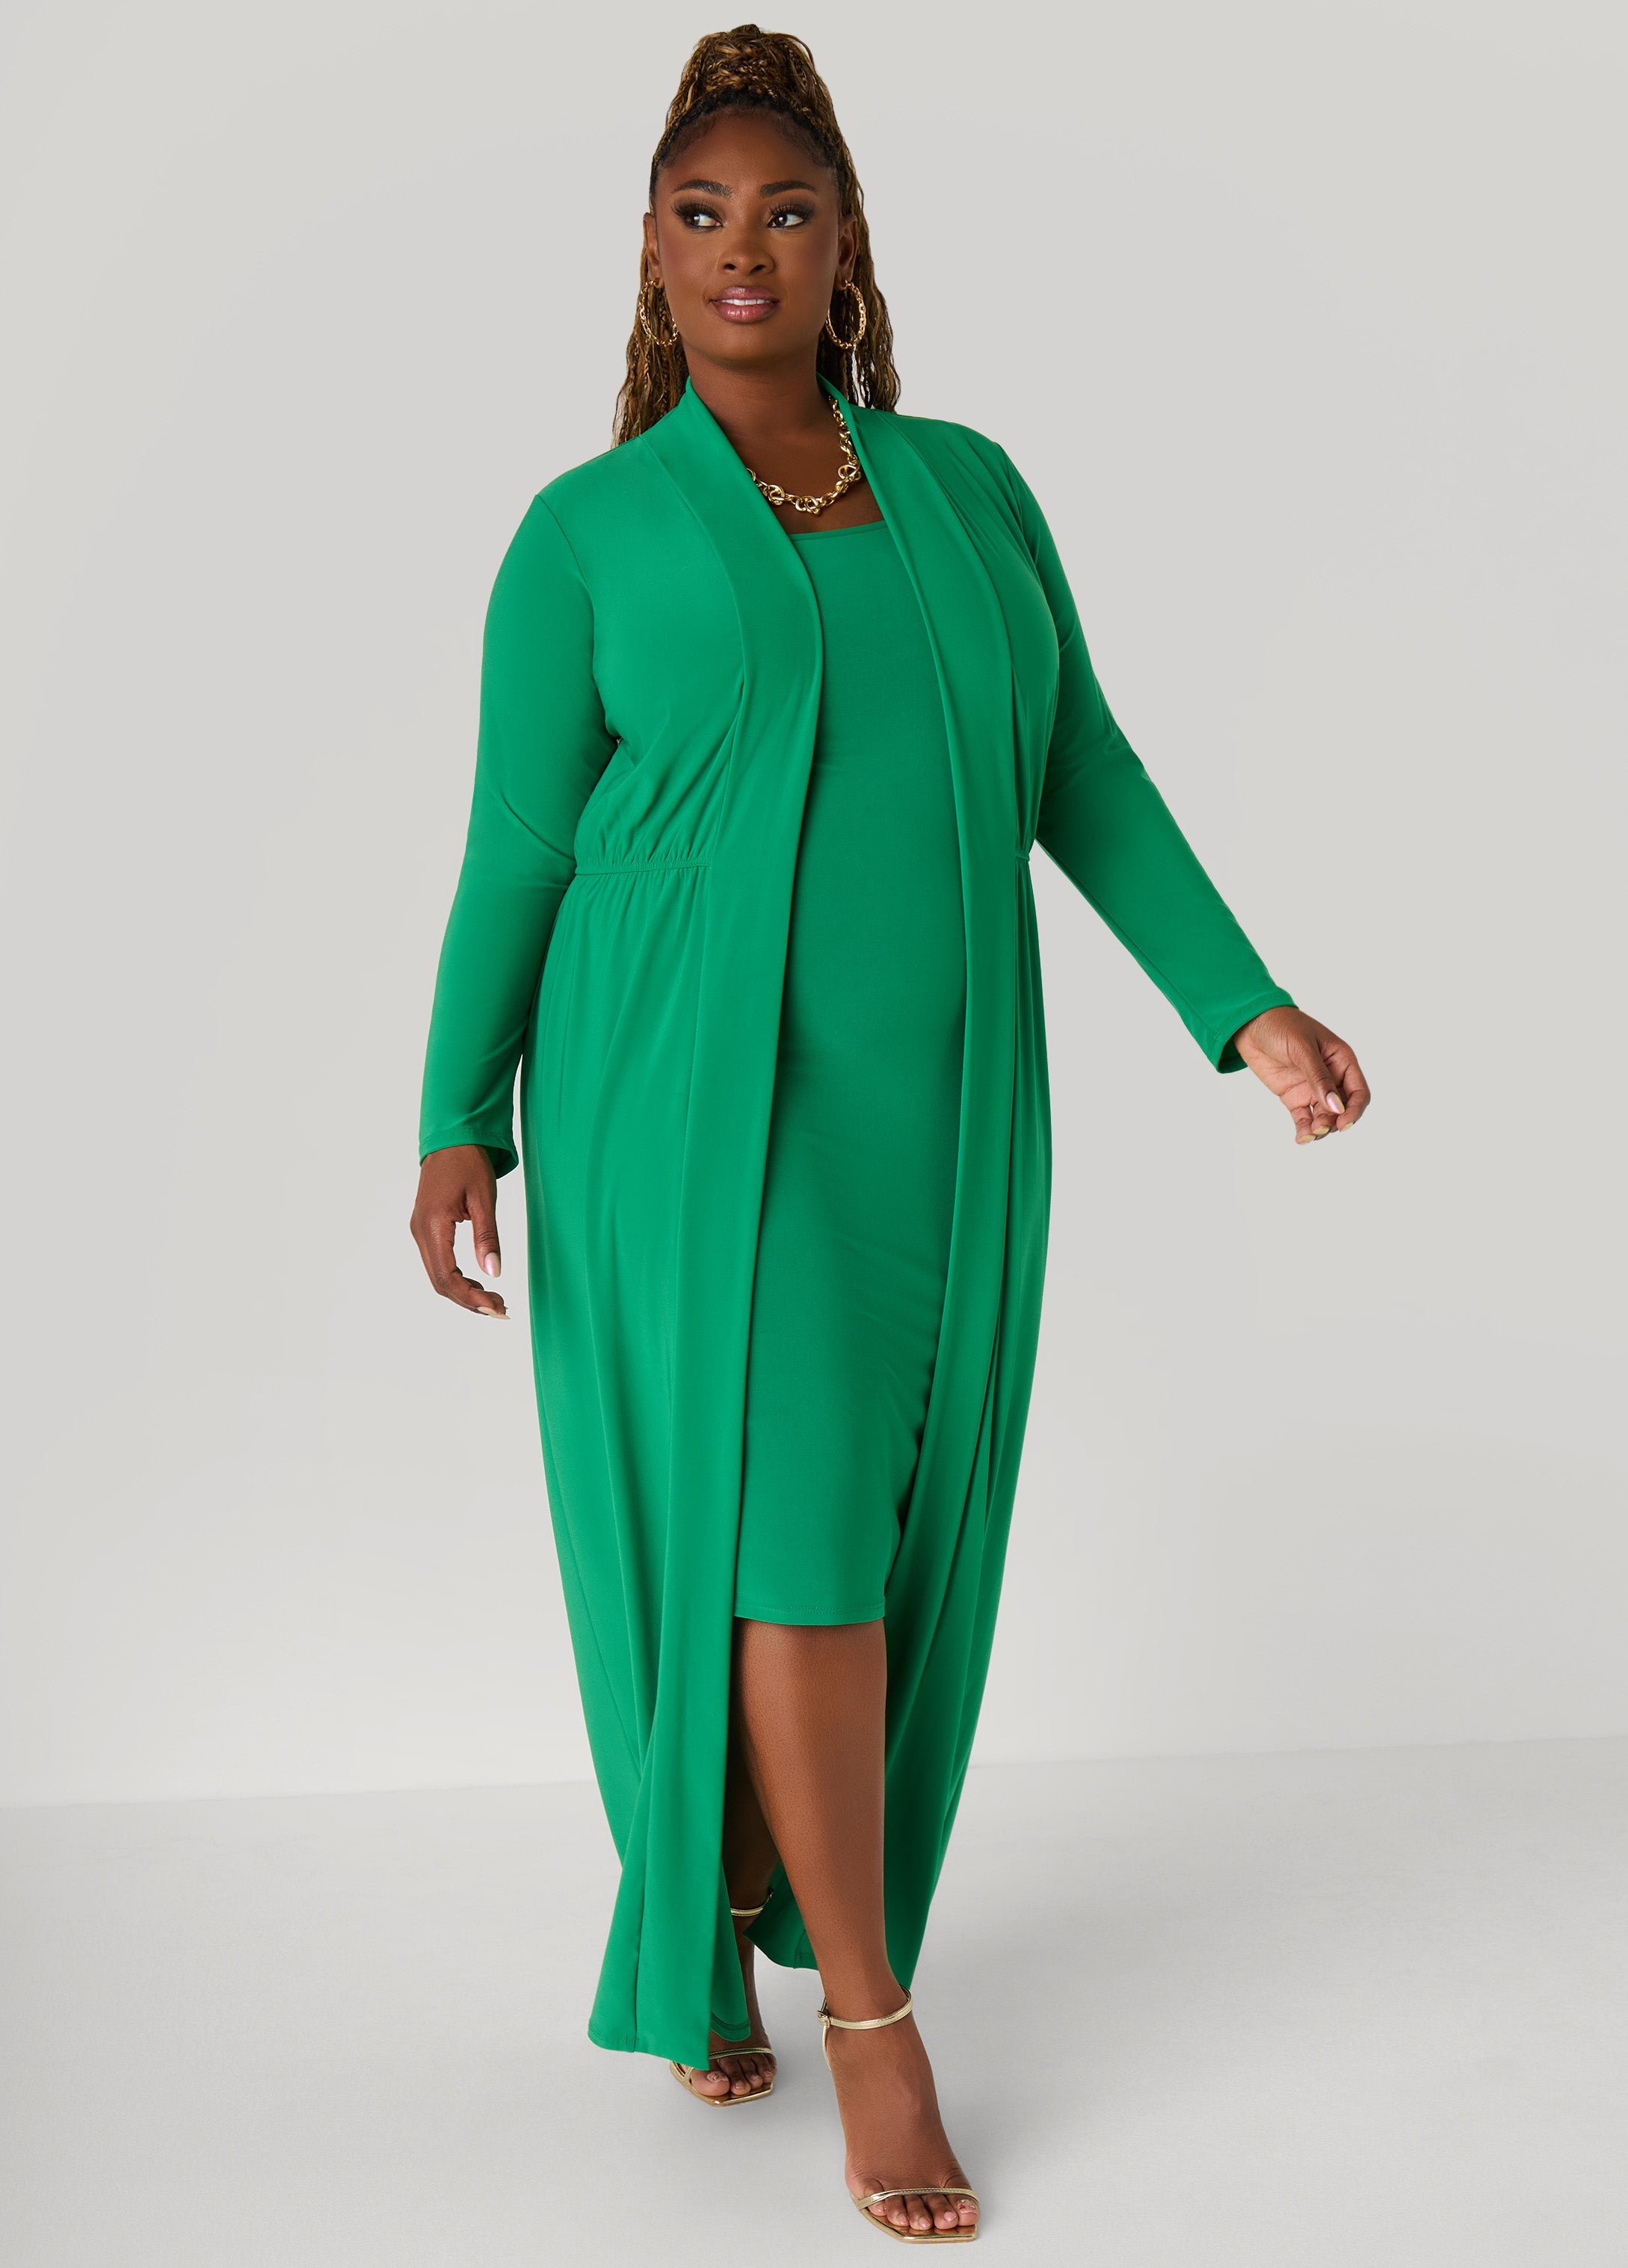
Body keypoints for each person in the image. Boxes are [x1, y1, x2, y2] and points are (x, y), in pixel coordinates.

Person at [411, 22, 1369, 2244]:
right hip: (685, 1114)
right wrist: (456, 1114)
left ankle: (716, 1906)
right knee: (796, 1543)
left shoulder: (967, 489)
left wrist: (1243, 1004)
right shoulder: (586, 534)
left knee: (862, 1532)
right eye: (699, 213)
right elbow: (517, 845)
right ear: (651, 254)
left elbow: (1080, 768)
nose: (741, 247)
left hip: (937, 1120)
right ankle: (869, 2017)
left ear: (847, 244)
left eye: (786, 209)